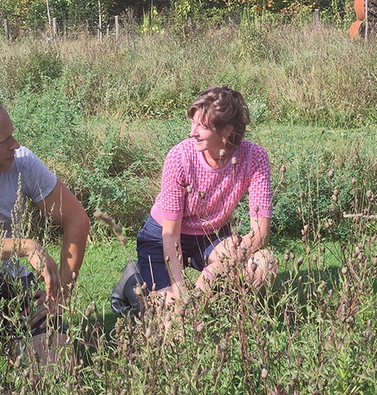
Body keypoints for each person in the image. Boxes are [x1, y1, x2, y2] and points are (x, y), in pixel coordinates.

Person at [112, 86, 276, 315]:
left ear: (227, 130)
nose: (192, 132)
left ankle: (221, 316)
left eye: (202, 126)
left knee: (264, 263)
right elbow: (170, 236)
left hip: (212, 236)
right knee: (171, 317)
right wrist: (181, 295)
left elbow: (261, 233)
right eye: (192, 123)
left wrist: (212, 274)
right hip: (163, 237)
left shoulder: (255, 157)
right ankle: (132, 280)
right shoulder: (179, 157)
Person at [0, 103, 90, 362]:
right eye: (4, 140)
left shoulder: (22, 162)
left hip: (13, 284)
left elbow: (77, 220)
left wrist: (59, 296)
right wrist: (26, 246)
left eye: (12, 135)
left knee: (56, 366)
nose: (15, 145)